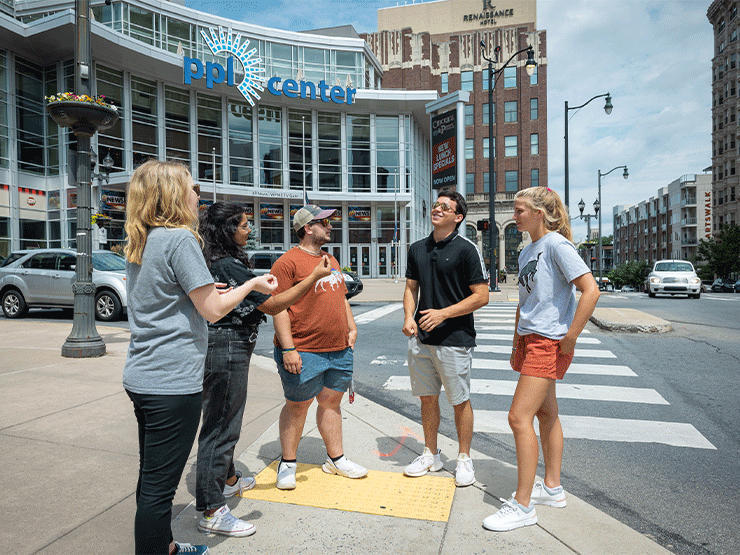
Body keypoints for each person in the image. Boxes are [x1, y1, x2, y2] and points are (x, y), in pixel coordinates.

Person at [122, 161, 277, 555]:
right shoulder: (179, 239)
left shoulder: (143, 238)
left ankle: (167, 547)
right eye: (193, 188)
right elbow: (212, 309)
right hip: (172, 382)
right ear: (173, 194)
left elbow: (174, 300)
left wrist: (213, 293)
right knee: (159, 492)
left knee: (150, 480)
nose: (198, 196)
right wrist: (252, 284)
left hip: (142, 375)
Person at [195, 202, 331, 537]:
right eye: (243, 225)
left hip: (222, 345)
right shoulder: (227, 263)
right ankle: (211, 509)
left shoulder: (215, 260)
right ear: (228, 230)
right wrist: (313, 277)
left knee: (224, 417)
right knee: (222, 425)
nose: (249, 230)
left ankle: (226, 480)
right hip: (228, 347)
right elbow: (275, 305)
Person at [483, 186, 600, 532]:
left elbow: (591, 290)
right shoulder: (526, 251)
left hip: (548, 341)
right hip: (530, 338)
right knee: (547, 414)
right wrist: (515, 340)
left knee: (518, 418)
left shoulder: (556, 245)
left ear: (538, 213)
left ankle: (522, 505)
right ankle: (552, 488)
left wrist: (571, 336)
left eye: (519, 210)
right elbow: (526, 299)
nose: (513, 215)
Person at [270, 205, 367, 490]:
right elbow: (278, 309)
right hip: (304, 350)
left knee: (331, 403)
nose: (330, 226)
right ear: (307, 228)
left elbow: (341, 298)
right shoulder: (287, 263)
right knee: (298, 406)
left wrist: (352, 326)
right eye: (324, 222)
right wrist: (288, 348)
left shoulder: (330, 259)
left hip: (338, 349)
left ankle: (336, 459)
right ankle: (287, 463)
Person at [401, 189, 489, 487]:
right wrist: (408, 317)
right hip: (421, 339)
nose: (437, 209)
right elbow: (411, 287)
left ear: (457, 217)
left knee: (459, 401)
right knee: (427, 399)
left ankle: (464, 458)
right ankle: (431, 453)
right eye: (436, 204)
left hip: (455, 338)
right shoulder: (416, 249)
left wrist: (443, 314)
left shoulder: (466, 250)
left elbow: (481, 296)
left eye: (445, 207)